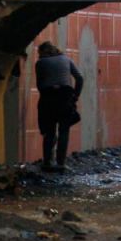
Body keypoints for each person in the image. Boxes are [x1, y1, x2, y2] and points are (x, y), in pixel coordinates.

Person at [35, 41, 84, 172]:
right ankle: (61, 163)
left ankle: (47, 162)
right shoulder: (66, 59)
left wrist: (48, 92)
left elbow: (39, 84)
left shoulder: (40, 63)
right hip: (65, 96)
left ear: (44, 52)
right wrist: (75, 96)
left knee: (49, 131)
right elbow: (79, 78)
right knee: (64, 130)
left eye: (39, 53)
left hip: (48, 97)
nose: (39, 55)